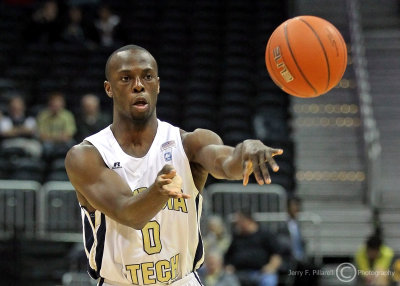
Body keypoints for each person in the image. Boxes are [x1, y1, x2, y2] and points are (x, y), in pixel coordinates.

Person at [65, 44, 283, 286]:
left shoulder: (190, 143)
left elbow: (227, 163)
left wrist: (245, 151)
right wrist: (159, 192)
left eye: (147, 77)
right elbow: (128, 213)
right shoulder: (87, 155)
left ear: (157, 84)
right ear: (109, 88)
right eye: (126, 78)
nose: (139, 85)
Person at [224, 209, 283, 286]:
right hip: (238, 273)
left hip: (260, 273)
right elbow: (228, 256)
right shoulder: (237, 237)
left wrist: (271, 267)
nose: (237, 225)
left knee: (268, 281)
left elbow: (277, 255)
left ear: (248, 220)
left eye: (239, 222)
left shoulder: (265, 234)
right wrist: (229, 267)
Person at [277, 196, 319, 286]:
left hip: (300, 259)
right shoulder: (281, 223)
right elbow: (282, 243)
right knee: (303, 270)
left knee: (315, 269)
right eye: (294, 206)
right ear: (288, 207)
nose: (297, 208)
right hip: (289, 259)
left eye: (298, 206)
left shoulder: (297, 224)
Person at [37, 92, 77, 160]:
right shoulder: (43, 116)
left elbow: (69, 134)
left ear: (62, 104)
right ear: (50, 104)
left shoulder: (67, 115)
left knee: (73, 146)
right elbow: (42, 135)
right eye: (54, 104)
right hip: (49, 142)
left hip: (63, 141)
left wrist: (54, 137)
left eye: (58, 103)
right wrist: (56, 138)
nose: (56, 106)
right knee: (46, 147)